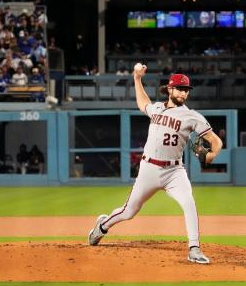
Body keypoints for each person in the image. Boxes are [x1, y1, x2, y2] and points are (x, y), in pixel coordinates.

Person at [88, 64, 222, 264]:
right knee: (129, 211)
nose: (183, 93)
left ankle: (194, 249)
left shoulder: (192, 116)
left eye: (186, 90)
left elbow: (216, 142)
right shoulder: (157, 108)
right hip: (149, 169)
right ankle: (102, 227)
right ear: (170, 89)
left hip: (174, 171)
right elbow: (143, 103)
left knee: (189, 202)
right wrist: (137, 78)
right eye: (180, 89)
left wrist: (210, 156)